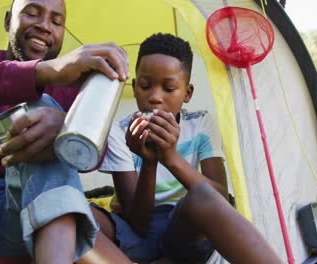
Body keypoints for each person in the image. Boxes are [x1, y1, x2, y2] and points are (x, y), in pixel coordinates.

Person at [0, 0, 131, 263]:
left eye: (56, 22)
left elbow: (95, 155)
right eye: (32, 14)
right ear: (9, 20)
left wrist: (65, 127)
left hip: (25, 223)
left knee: (43, 112)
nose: (44, 26)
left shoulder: (69, 91)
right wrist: (44, 72)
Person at [91, 33, 282, 263]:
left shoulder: (201, 124)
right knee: (77, 213)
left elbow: (218, 199)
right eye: (145, 86)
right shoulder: (120, 132)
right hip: (134, 233)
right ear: (134, 87)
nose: (155, 97)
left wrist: (170, 157)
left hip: (181, 228)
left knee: (202, 194)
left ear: (187, 93)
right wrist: (149, 162)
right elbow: (139, 224)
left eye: (168, 88)